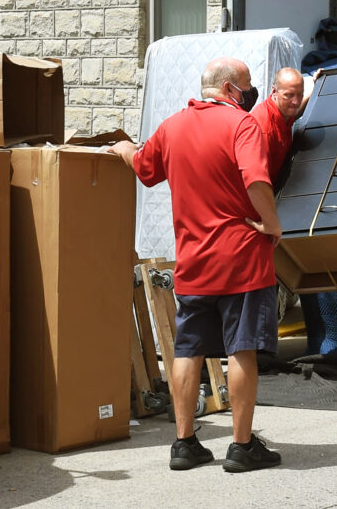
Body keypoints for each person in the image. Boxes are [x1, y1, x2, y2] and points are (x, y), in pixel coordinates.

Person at [110, 57, 283, 473]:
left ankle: (184, 443)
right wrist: (273, 225)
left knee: (187, 349)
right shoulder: (243, 125)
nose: (249, 92)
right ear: (228, 89)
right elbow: (256, 180)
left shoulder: (172, 126)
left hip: (194, 260)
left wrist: (124, 149)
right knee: (242, 350)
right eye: (245, 85)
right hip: (242, 259)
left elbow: (144, 168)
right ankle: (241, 447)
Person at [250, 67, 320, 186]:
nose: (296, 102)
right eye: (289, 95)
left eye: (300, 94)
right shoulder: (265, 131)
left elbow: (295, 112)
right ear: (274, 91)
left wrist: (317, 86)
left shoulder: (282, 110)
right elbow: (257, 181)